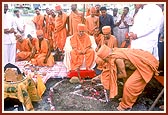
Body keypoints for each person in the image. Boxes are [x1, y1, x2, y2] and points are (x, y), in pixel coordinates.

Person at [95, 45, 159, 111]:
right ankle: (127, 98)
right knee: (126, 80)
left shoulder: (117, 59)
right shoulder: (112, 53)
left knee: (129, 85)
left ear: (106, 57)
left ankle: (126, 105)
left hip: (145, 64)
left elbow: (123, 74)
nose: (105, 61)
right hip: (139, 63)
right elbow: (109, 71)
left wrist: (112, 77)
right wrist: (99, 77)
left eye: (104, 60)